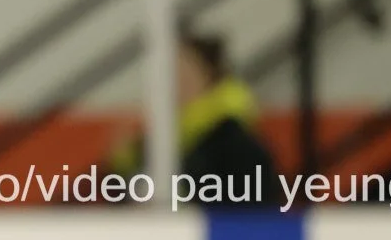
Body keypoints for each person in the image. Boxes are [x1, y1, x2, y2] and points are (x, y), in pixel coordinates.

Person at [109, 29, 277, 208]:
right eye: (169, 72)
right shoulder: (155, 139)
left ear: (210, 76)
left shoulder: (235, 143)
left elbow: (250, 208)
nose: (175, 81)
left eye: (185, 72)